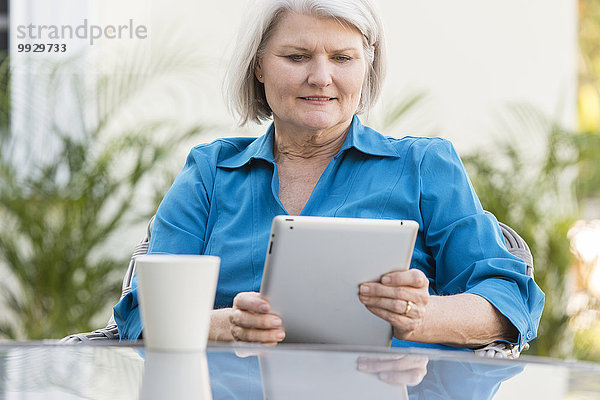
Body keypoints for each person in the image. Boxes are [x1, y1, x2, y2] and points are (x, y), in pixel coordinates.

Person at [114, 0, 544, 351]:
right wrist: (223, 326)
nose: (321, 78)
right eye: (297, 56)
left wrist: (420, 317)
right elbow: (145, 311)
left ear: (366, 66)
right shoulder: (210, 173)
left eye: (342, 58)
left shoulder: (425, 166)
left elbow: (508, 302)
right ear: (259, 65)